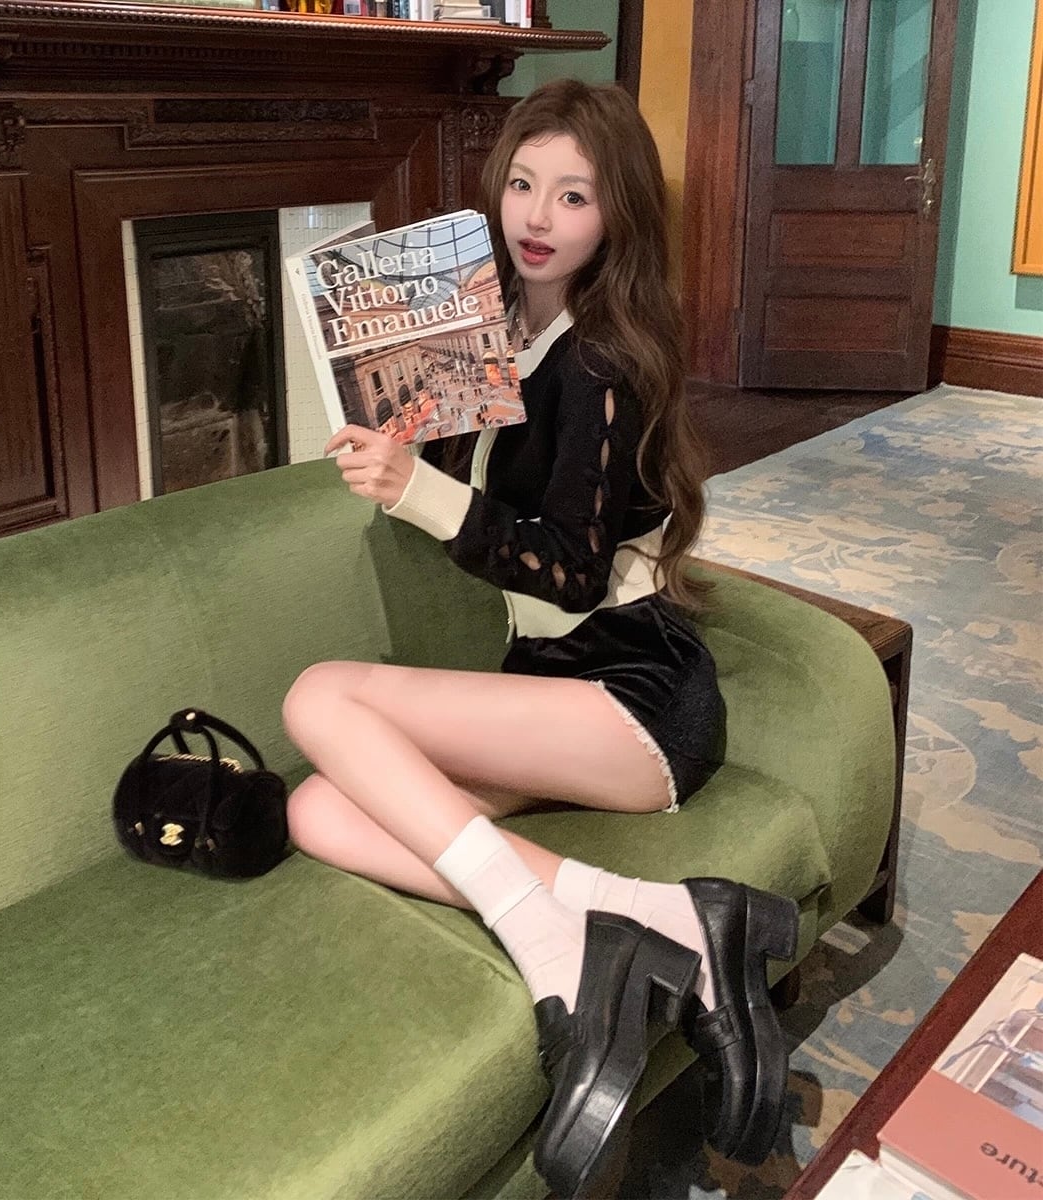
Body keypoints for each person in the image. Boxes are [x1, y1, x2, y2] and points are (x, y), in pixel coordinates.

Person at [281, 79, 798, 1199]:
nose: (538, 215)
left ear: (617, 216)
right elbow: (473, 489)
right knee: (316, 809)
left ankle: (553, 948)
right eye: (522, 184)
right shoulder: (497, 329)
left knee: (318, 697)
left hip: (635, 696)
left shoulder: (600, 360)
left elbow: (568, 568)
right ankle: (664, 915)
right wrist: (393, 430)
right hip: (551, 685)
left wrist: (419, 491)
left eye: (574, 195)